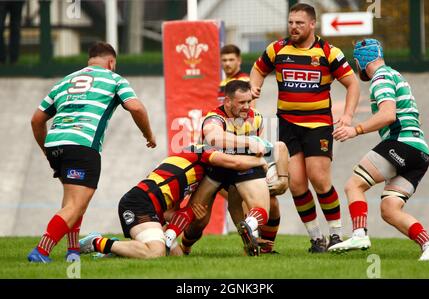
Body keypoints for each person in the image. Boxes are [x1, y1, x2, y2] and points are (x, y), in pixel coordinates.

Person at [27, 42, 157, 263]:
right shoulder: (114, 79)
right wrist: (148, 135)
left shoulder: (65, 81)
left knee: (73, 202)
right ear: (111, 62)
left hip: (56, 143)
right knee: (75, 205)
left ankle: (73, 251)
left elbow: (36, 120)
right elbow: (136, 107)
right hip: (82, 145)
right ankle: (41, 251)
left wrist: (46, 150)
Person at [250, 3, 360, 253]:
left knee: (319, 180)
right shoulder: (277, 49)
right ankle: (316, 239)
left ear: (312, 24)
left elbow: (352, 84)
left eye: (299, 23)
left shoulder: (328, 52)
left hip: (318, 125)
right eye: (291, 22)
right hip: (287, 125)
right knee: (297, 185)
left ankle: (335, 235)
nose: (294, 27)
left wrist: (347, 115)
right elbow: (257, 70)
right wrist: (253, 97)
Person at [329, 39, 429, 261]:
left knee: (354, 185)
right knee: (390, 208)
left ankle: (359, 234)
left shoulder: (380, 78)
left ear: (361, 61)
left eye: (356, 62)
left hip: (401, 143)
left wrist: (356, 130)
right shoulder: (395, 74)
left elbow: (388, 115)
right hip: (421, 153)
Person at [79, 144, 268, 259]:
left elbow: (171, 212)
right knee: (156, 253)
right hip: (139, 203)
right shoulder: (200, 153)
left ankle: (116, 248)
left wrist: (191, 215)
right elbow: (234, 163)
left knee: (176, 257)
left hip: (154, 210)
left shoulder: (193, 174)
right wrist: (260, 161)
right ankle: (96, 242)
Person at [178, 80, 288, 256]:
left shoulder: (256, 118)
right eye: (241, 102)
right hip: (212, 170)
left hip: (240, 168)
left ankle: (260, 245)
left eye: (248, 101)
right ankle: (185, 247)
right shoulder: (214, 118)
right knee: (199, 220)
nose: (246, 107)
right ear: (227, 102)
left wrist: (283, 178)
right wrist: (248, 143)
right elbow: (215, 138)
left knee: (266, 205)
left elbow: (271, 148)